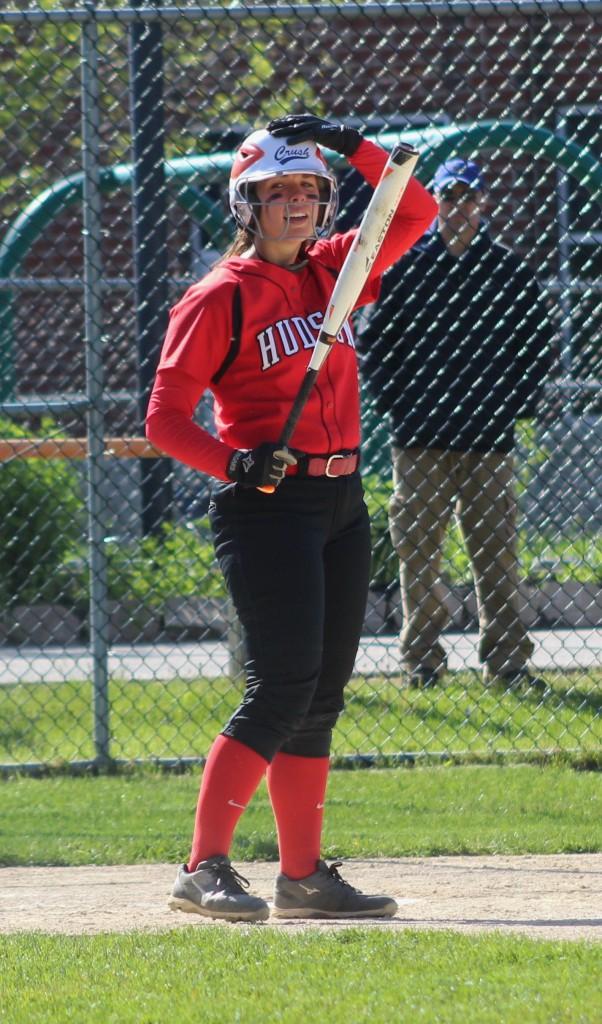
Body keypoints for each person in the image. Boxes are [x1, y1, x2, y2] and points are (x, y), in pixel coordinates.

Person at [145, 114, 436, 921]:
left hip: (341, 502)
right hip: (265, 506)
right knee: (279, 687)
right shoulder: (218, 297)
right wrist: (233, 461)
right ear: (247, 204)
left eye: (310, 190)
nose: (299, 204)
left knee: (320, 696)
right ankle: (202, 867)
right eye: (279, 192)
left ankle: (303, 878)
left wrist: (352, 146)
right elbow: (164, 418)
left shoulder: (335, 271)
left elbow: (414, 211)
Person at [358, 157, 553, 692]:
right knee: (417, 550)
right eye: (449, 197)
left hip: (489, 439)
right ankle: (422, 660)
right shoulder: (405, 269)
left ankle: (507, 662)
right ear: (436, 202)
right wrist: (400, 407)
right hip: (420, 440)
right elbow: (373, 348)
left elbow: (537, 346)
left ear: (483, 204)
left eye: (469, 198)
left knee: (497, 550)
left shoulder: (509, 272)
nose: (459, 208)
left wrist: (513, 405)